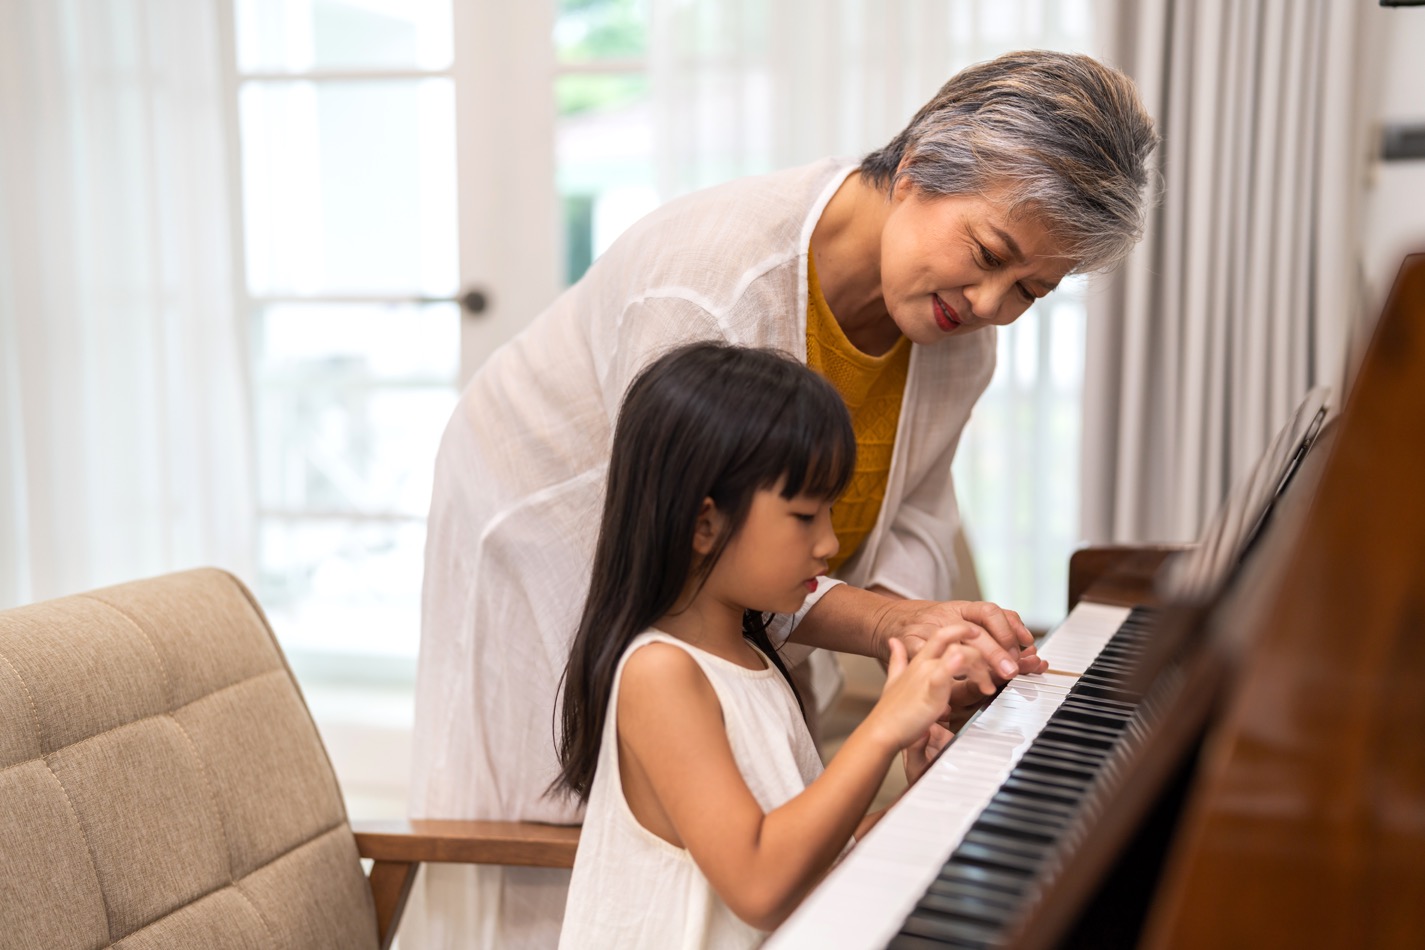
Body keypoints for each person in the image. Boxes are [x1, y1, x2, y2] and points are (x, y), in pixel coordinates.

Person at [406, 48, 1158, 949]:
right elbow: (692, 532)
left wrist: (919, 629)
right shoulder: (708, 284)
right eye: (989, 255)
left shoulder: (960, 340)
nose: (992, 303)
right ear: (917, 167)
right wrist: (886, 631)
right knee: (568, 837)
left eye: (1031, 290)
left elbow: (914, 512)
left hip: (730, 584)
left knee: (740, 798)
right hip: (550, 524)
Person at [554, 342, 997, 948]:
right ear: (704, 524)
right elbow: (760, 888)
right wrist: (883, 728)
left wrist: (919, 800)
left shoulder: (753, 660)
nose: (829, 544)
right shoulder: (660, 674)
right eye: (805, 516)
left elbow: (811, 865)